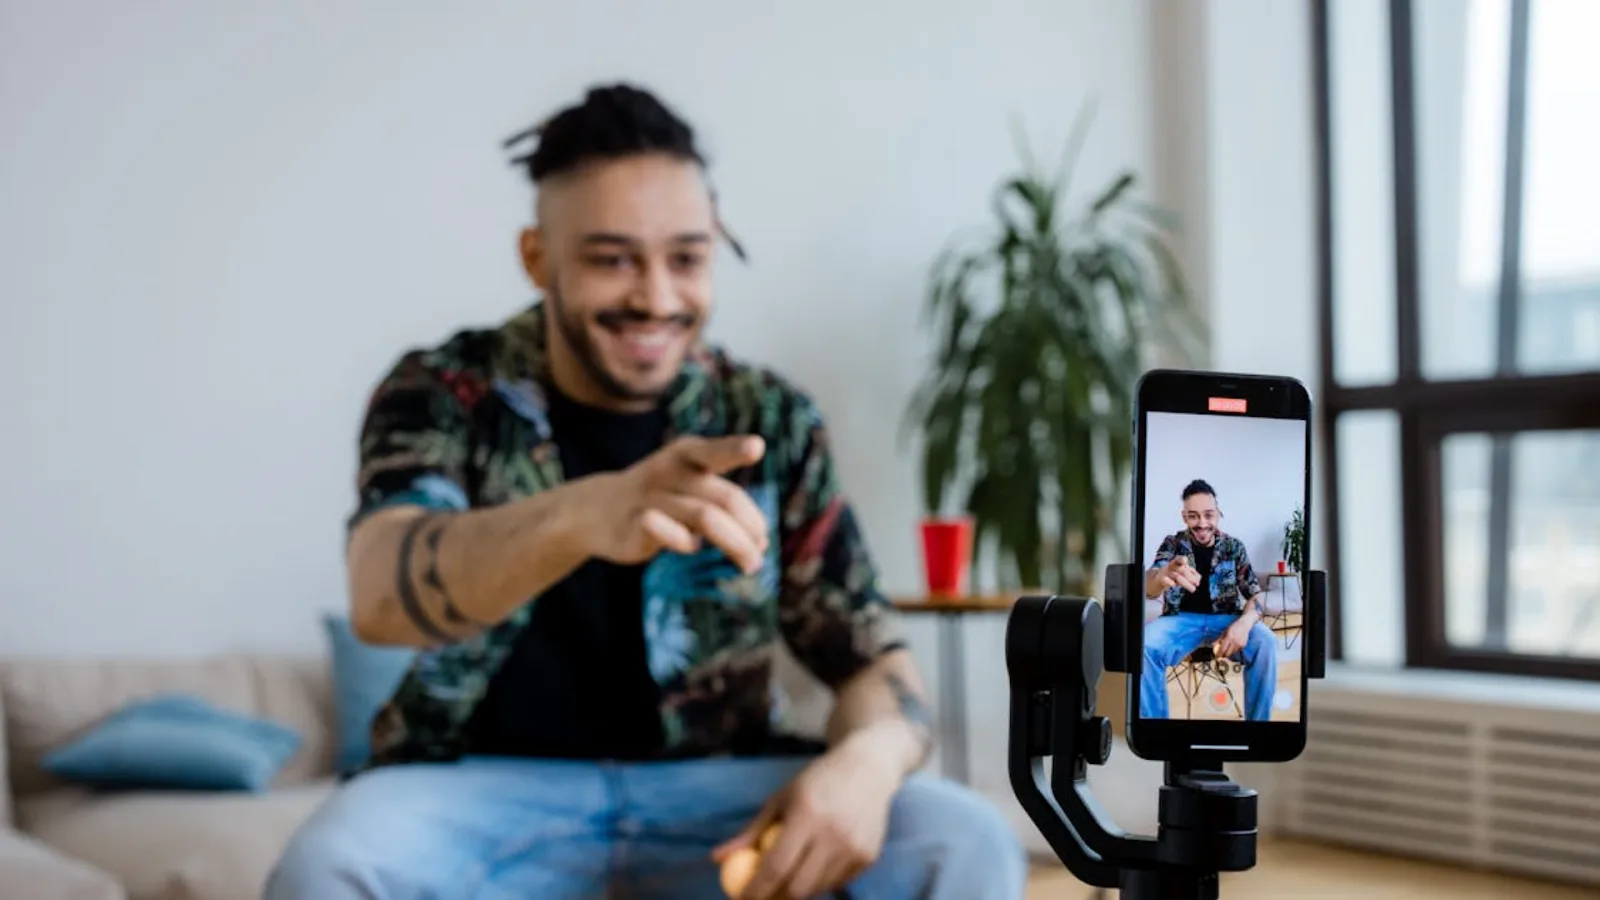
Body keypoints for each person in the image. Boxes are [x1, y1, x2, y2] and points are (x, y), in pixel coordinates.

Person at [263, 83, 1026, 900]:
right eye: (611, 258)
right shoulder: (443, 392)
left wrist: (868, 765)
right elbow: (382, 592)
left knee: (961, 839)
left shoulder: (766, 416)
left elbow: (872, 659)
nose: (657, 298)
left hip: (715, 795)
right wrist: (583, 512)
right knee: (329, 865)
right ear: (537, 257)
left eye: (688, 258)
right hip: (479, 791)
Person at [1139, 479, 1279, 721]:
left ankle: (1259, 730)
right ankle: (1156, 730)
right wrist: (1162, 576)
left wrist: (1244, 624)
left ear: (1218, 514)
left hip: (1226, 619)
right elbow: (1150, 585)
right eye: (1193, 516)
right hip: (1180, 620)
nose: (1202, 524)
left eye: (1209, 515)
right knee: (1143, 646)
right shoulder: (1172, 544)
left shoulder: (1234, 547)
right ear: (1184, 517)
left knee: (1266, 641)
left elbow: (1254, 594)